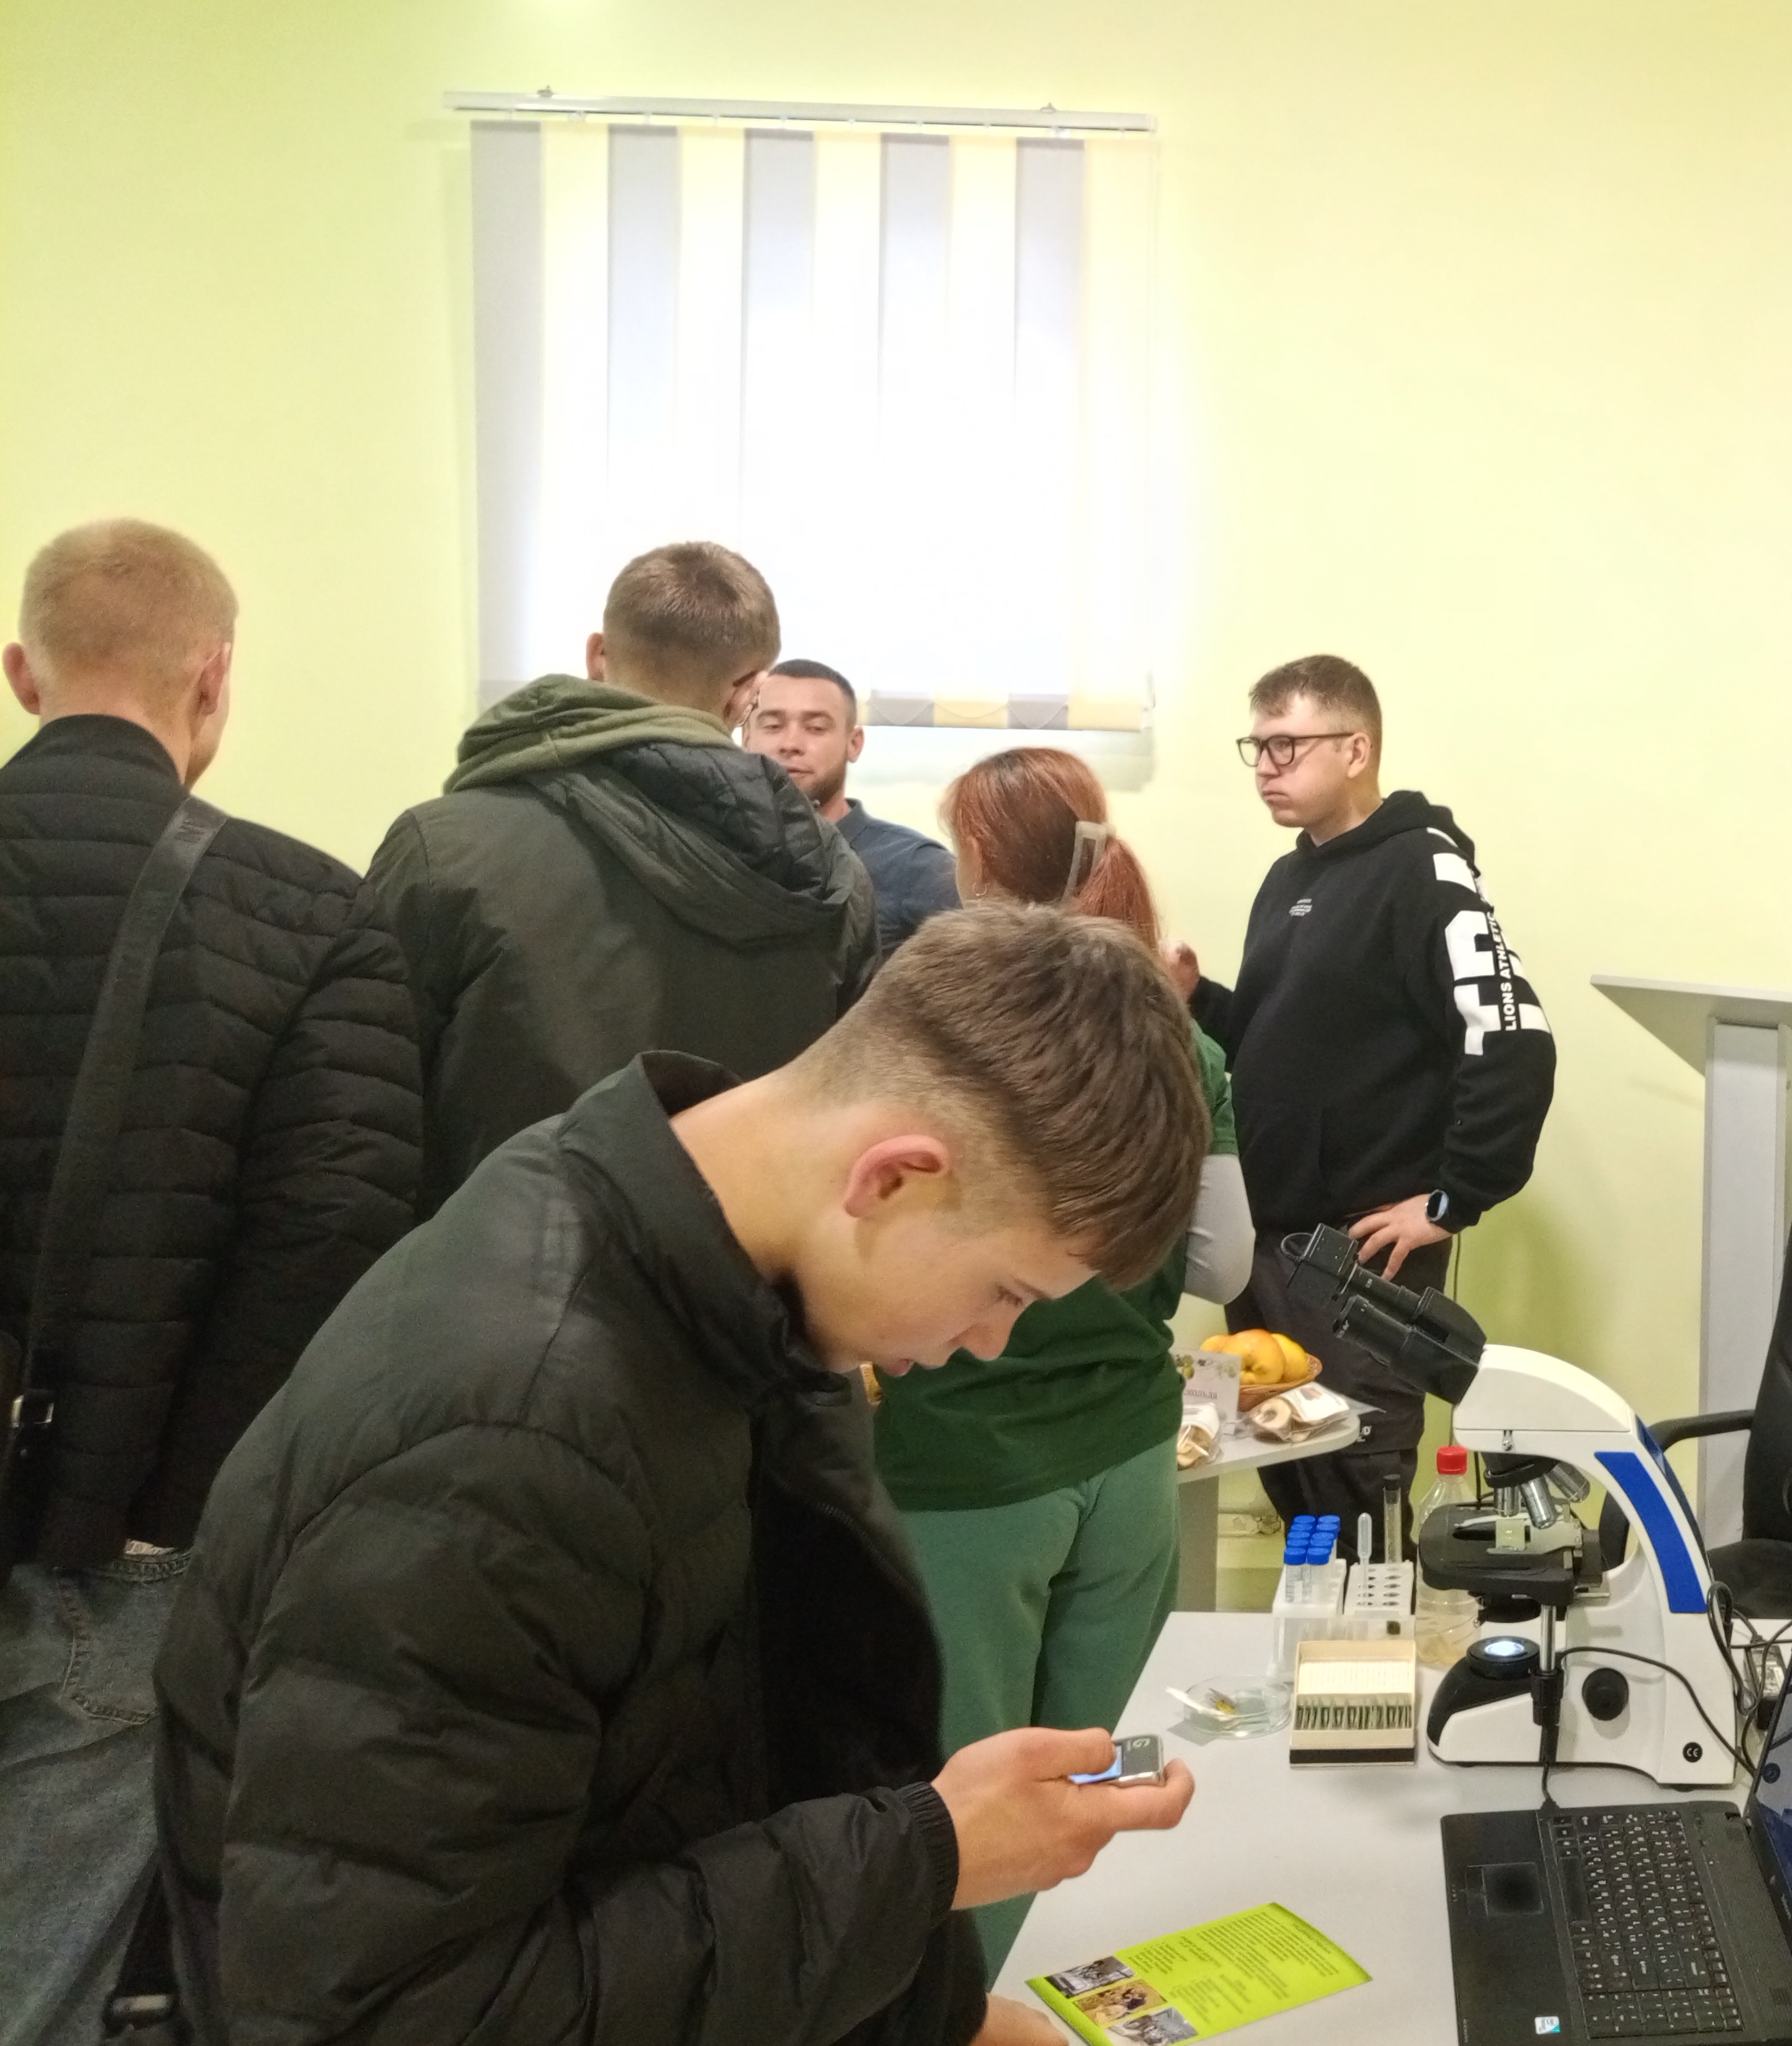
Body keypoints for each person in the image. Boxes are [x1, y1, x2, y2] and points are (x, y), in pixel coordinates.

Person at [150, 904, 1208, 2046]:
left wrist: (934, 2012)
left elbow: (736, 1762)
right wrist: (923, 1855)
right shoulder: (508, 1440)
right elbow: (388, 2013)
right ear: (893, 1177)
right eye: (1004, 1292)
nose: (988, 1342)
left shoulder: (727, 1279)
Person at [0, 520, 422, 2046]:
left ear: (22, 670)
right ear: (215, 679)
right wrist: (173, 1519)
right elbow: (334, 1244)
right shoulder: (309, 911)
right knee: (38, 1976)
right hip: (122, 1542)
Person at [876, 747, 1252, 1969]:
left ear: (978, 859)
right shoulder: (1179, 1038)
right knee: (1111, 1760)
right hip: (1133, 1455)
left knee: (975, 1788)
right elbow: (1226, 1260)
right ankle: (1102, 1991)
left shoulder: (942, 1038)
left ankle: (979, 2007)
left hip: (969, 1464)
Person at [1170, 654, 1554, 1558]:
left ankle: (1373, 1648)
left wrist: (1453, 1200)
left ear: (1356, 748)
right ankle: (1314, 1649)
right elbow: (1280, 1042)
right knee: (1288, 1481)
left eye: (1288, 745)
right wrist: (1197, 999)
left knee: (1359, 1492)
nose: (1266, 766)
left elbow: (1513, 1037)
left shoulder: (1424, 869)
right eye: (1257, 747)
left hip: (1357, 1254)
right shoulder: (1290, 876)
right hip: (1267, 1236)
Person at [369, 542, 879, 1211]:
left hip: (491, 1257)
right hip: (734, 1267)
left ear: (597, 655)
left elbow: (368, 1103)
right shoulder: (833, 875)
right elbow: (845, 1117)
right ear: (749, 691)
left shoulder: (441, 845)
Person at [745, 657, 960, 959]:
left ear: (854, 743)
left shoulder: (914, 868)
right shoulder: (713, 852)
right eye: (773, 726)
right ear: (746, 738)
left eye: (816, 728)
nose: (791, 743)